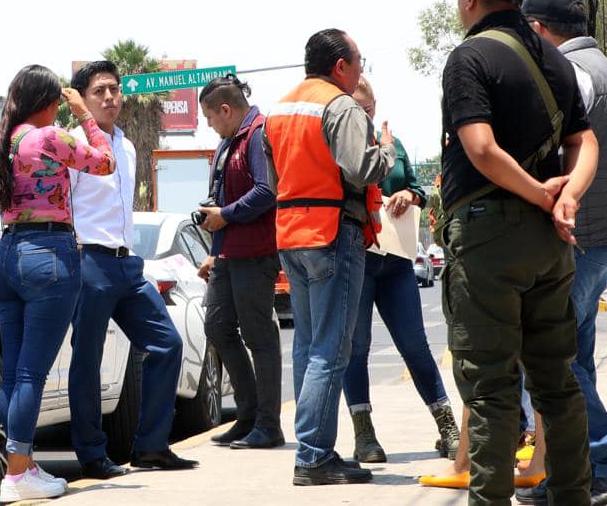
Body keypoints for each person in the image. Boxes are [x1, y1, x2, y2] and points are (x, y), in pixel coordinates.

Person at [438, 0, 598, 506]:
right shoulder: (556, 60)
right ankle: (574, 495)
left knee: (491, 390)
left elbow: (479, 147)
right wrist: (566, 198)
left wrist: (537, 192)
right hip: (550, 244)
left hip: (488, 242)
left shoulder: (470, 58)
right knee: (557, 381)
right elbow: (585, 141)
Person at [511, 0, 607, 505]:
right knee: (576, 358)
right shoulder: (601, 67)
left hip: (575, 237)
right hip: (599, 236)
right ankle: (574, 472)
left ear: (538, 30)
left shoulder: (569, 72)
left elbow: (551, 148)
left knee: (555, 363)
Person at [0, 64, 115, 502]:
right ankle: (17, 472)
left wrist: (3, 259)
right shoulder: (48, 138)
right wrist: (85, 116)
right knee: (32, 370)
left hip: (6, 257)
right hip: (49, 255)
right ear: (49, 102)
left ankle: (23, 463)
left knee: (13, 369)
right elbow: (105, 162)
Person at [263, 29, 397, 486]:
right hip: (332, 232)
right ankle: (315, 456)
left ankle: (312, 448)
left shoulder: (279, 108)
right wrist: (388, 152)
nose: (361, 69)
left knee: (307, 345)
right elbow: (361, 168)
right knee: (330, 348)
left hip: (291, 234)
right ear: (340, 66)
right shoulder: (340, 106)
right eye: (359, 61)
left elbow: (277, 172)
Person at [66, 60, 198, 478]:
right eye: (99, 91)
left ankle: (151, 447)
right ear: (81, 100)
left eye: (114, 89)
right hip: (90, 262)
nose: (110, 97)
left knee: (167, 344)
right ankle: (91, 455)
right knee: (88, 359)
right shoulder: (69, 144)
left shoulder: (125, 145)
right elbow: (62, 207)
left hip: (128, 266)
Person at [341, 77, 460, 464]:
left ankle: (447, 428)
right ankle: (364, 434)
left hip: (396, 261)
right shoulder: (337, 145)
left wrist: (411, 194)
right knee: (355, 349)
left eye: (369, 109)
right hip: (356, 261)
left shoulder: (394, 144)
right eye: (357, 110)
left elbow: (417, 189)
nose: (365, 116)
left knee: (415, 346)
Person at [192, 75, 282, 450]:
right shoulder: (229, 142)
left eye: (211, 118)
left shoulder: (259, 134)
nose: (210, 125)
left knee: (258, 335)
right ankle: (247, 417)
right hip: (227, 253)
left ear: (226, 110)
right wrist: (216, 237)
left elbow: (267, 191)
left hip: (255, 253)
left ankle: (268, 424)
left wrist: (225, 215)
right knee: (217, 327)